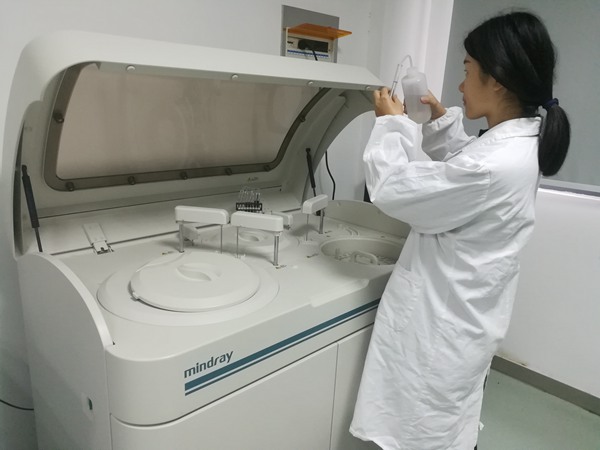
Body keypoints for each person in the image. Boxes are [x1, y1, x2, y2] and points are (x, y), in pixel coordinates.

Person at [350, 11, 570, 450]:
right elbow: (466, 166)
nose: (460, 85)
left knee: (425, 430)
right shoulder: (517, 143)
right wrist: (437, 119)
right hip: (466, 316)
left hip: (442, 328)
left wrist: (392, 124)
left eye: (468, 72)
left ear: (498, 82)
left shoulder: (495, 164)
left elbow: (393, 189)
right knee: (445, 424)